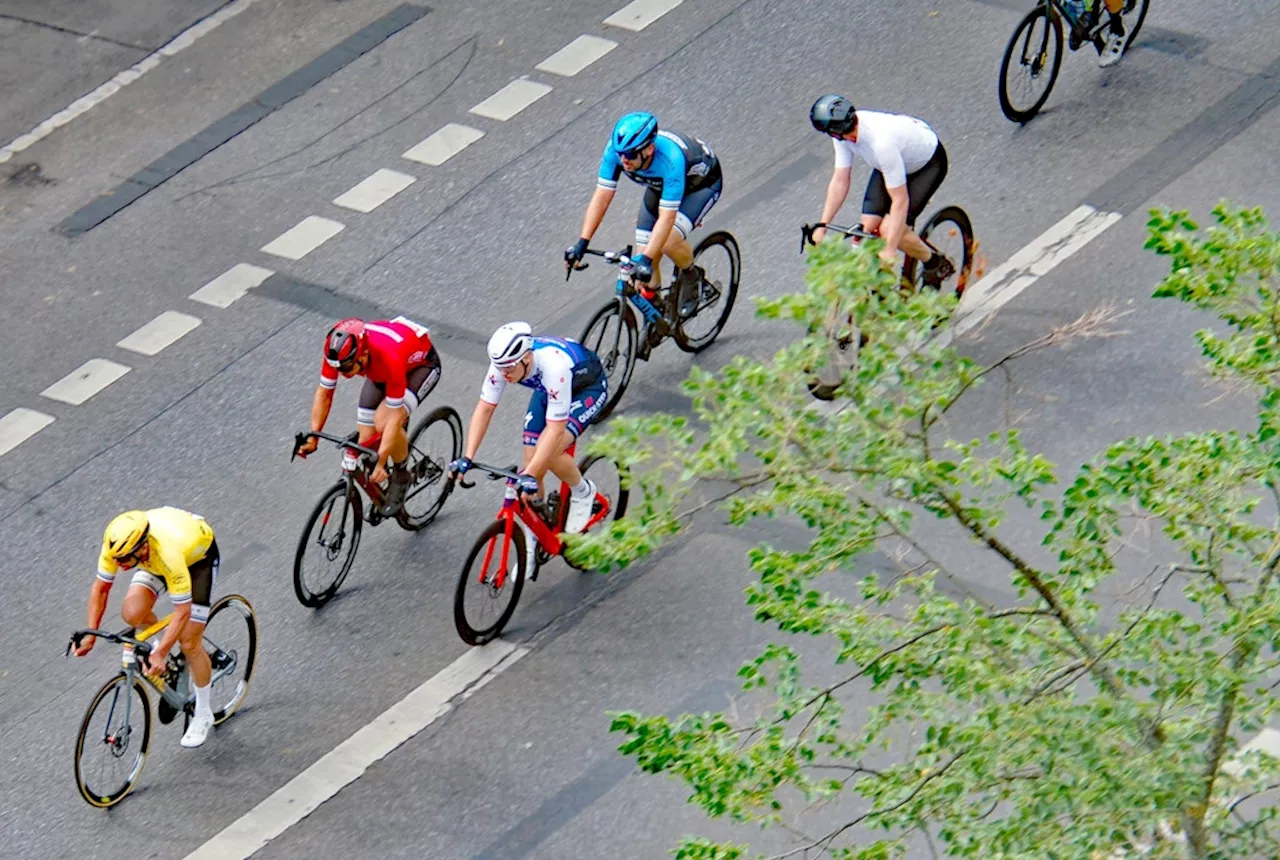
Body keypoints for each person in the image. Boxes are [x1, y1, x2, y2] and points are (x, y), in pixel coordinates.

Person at [73, 507, 221, 748]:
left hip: (196, 561)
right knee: (132, 613)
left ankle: (203, 712)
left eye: (124, 560)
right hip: (155, 559)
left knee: (189, 642)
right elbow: (100, 589)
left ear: (142, 547)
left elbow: (182, 611)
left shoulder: (168, 555)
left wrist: (161, 651)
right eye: (116, 559)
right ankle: (171, 662)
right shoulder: (117, 547)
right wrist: (91, 634)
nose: (119, 565)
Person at [451, 323, 608, 541]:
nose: (504, 374)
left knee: (547, 454)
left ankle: (583, 491)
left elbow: (555, 430)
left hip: (586, 388)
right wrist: (467, 457)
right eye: (500, 368)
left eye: (508, 369)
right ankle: (535, 538)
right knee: (531, 459)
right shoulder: (505, 363)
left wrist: (530, 474)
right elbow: (485, 408)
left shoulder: (554, 367)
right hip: (548, 389)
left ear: (526, 358)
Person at [565, 111, 723, 321]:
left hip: (701, 185)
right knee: (642, 258)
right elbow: (602, 197)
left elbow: (667, 218)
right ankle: (658, 314)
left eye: (630, 155)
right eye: (620, 153)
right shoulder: (617, 152)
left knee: (666, 243)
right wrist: (582, 242)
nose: (623, 160)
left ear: (649, 149)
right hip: (660, 186)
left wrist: (647, 259)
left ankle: (693, 276)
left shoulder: (671, 161)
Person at [808, 94, 954, 287]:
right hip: (893, 162)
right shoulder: (841, 134)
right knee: (868, 225)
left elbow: (900, 201)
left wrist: (890, 249)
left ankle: (935, 264)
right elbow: (840, 180)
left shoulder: (881, 143)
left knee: (891, 230)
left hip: (927, 164)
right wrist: (823, 224)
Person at [294, 316, 441, 490]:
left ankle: (401, 475)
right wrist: (314, 437)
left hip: (420, 368)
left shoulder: (389, 357)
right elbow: (325, 394)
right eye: (338, 368)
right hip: (379, 370)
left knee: (383, 422)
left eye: (347, 368)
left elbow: (393, 417)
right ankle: (382, 495)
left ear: (363, 354)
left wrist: (382, 461)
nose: (342, 373)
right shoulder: (337, 353)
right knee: (365, 440)